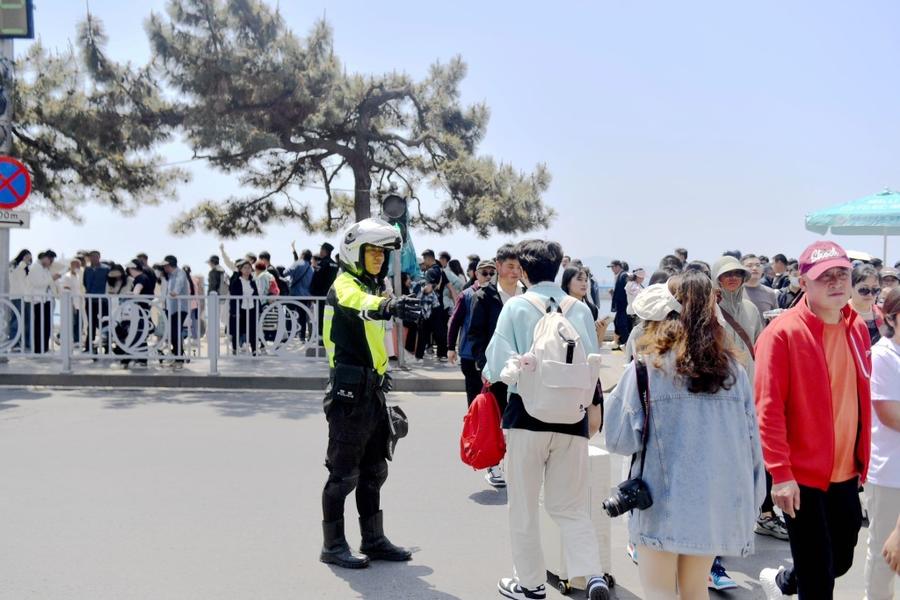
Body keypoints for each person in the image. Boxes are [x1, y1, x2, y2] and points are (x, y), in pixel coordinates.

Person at [605, 272, 764, 600]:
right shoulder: (733, 373)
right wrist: (751, 501)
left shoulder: (646, 368)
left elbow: (619, 440)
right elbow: (751, 443)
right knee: (694, 590)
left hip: (659, 502)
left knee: (659, 591)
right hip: (713, 503)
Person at [484, 239, 610, 600]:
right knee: (570, 506)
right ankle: (592, 574)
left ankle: (531, 585)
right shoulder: (579, 308)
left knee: (524, 507)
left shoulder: (516, 306)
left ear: (524, 270)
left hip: (526, 417)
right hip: (572, 420)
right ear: (558, 269)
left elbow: (496, 366)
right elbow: (592, 367)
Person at [757, 241, 872, 599]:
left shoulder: (856, 327)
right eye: (825, 277)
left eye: (842, 274)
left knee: (840, 560)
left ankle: (786, 582)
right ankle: (801, 580)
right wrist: (781, 474)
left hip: (846, 472)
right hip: (802, 476)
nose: (836, 283)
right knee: (819, 580)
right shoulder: (782, 334)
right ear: (804, 283)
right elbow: (768, 409)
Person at [319, 218, 421, 570]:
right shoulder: (344, 286)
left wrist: (382, 372)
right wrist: (388, 306)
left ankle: (373, 540)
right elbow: (358, 303)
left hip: (372, 389)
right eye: (372, 251)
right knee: (343, 475)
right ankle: (333, 546)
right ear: (354, 252)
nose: (379, 257)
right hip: (348, 395)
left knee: (375, 470)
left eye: (382, 252)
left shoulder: (371, 286)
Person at [468, 243, 524, 488]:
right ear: (498, 266)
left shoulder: (527, 294)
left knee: (521, 418)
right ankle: (494, 465)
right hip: (497, 370)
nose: (515, 272)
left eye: (519, 267)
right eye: (510, 266)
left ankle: (517, 464)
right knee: (497, 417)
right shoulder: (484, 296)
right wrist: (485, 366)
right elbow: (475, 335)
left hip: (525, 367)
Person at [864, 288, 900, 599]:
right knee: (885, 554)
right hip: (890, 474)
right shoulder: (883, 356)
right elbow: (890, 415)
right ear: (891, 317)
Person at [447, 258, 496, 405]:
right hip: (470, 354)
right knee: (474, 396)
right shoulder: (466, 295)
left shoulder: (499, 295)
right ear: (476, 274)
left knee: (493, 398)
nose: (488, 276)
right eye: (485, 273)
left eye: (492, 273)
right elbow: (455, 322)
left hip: (493, 354)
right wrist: (451, 348)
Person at [26, 250, 60, 353]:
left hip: (46, 300)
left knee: (46, 324)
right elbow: (38, 283)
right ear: (45, 258)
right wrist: (52, 278)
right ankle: (38, 348)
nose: (51, 263)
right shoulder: (35, 268)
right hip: (38, 300)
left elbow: (49, 284)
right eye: (50, 260)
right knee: (39, 325)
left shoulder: (45, 269)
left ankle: (44, 347)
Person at [421, 249, 450, 362]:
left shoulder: (430, 272)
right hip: (440, 305)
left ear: (429, 258)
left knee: (424, 328)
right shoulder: (441, 271)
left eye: (424, 259)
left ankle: (420, 353)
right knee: (440, 329)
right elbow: (451, 287)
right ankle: (442, 354)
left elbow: (428, 288)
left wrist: (421, 289)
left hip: (431, 305)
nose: (424, 262)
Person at [163, 255, 190, 368]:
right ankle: (177, 356)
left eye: (165, 265)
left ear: (169, 264)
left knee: (175, 332)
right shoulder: (170, 276)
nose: (164, 268)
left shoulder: (180, 273)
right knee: (172, 333)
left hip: (179, 308)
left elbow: (179, 284)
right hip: (171, 308)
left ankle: (179, 358)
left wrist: (175, 292)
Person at [228, 260, 260, 355]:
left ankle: (254, 349)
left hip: (251, 308)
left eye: (249, 268)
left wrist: (259, 309)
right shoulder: (236, 281)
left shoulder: (253, 282)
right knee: (237, 329)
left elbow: (256, 295)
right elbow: (233, 298)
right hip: (240, 309)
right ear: (240, 269)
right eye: (245, 268)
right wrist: (234, 311)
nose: (247, 270)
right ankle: (234, 348)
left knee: (252, 329)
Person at [82, 250, 110, 353]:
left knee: (105, 323)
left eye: (96, 256)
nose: (93, 258)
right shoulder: (87, 269)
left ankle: (107, 347)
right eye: (92, 256)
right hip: (90, 300)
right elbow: (85, 283)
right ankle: (89, 346)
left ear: (99, 257)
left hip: (103, 301)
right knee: (91, 323)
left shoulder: (106, 269)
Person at [849, 263, 883, 346]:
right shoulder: (839, 314)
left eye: (875, 290)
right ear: (850, 287)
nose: (870, 294)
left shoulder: (883, 313)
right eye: (864, 289)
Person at [741, 254, 779, 324]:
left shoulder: (770, 293)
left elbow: (777, 320)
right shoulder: (734, 292)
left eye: (758, 265)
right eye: (749, 266)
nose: (754, 268)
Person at [8, 249, 31, 349]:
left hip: (25, 297)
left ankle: (24, 342)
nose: (28, 259)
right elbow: (15, 277)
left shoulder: (26, 268)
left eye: (29, 258)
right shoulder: (14, 266)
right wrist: (23, 263)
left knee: (25, 321)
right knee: (16, 320)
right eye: (26, 257)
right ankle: (14, 343)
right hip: (16, 296)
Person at [60, 257, 85, 346]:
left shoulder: (77, 276)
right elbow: (66, 290)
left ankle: (76, 340)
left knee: (79, 322)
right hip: (71, 303)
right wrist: (72, 304)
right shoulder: (67, 277)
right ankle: (74, 340)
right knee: (74, 323)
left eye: (79, 265)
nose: (78, 267)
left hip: (78, 303)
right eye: (76, 265)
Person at [609, 259, 631, 349]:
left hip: (623, 305)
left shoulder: (623, 275)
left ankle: (627, 344)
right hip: (621, 306)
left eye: (613, 267)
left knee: (622, 324)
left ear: (618, 266)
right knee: (617, 323)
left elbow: (627, 291)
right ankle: (619, 343)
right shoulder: (620, 275)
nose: (612, 269)